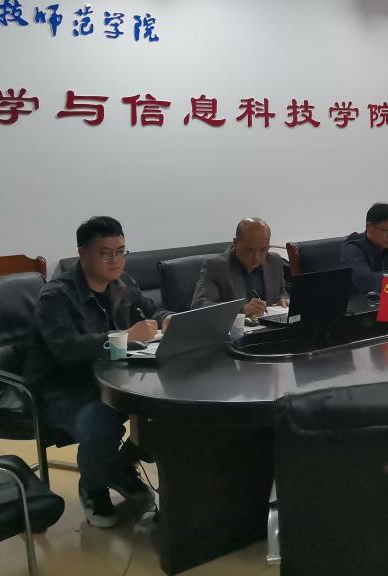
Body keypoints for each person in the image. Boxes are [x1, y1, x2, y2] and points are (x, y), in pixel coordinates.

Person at [25, 216, 172, 528]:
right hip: (64, 388)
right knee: (100, 422)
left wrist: (166, 318)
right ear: (82, 253)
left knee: (165, 410)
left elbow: (150, 309)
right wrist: (125, 336)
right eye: (105, 253)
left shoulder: (122, 284)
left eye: (121, 252)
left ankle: (117, 466)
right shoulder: (56, 296)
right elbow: (66, 350)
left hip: (114, 378)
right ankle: (92, 488)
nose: (115, 260)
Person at [191, 218, 289, 315]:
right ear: (235, 243)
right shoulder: (216, 267)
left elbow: (282, 293)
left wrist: (284, 299)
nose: (257, 257)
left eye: (263, 250)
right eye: (250, 250)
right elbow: (200, 306)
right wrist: (242, 310)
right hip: (235, 325)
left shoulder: (274, 262)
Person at [341, 202, 388, 293]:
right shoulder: (353, 247)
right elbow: (367, 282)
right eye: (385, 230)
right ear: (369, 227)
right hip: (363, 300)